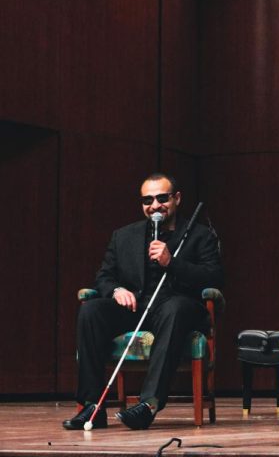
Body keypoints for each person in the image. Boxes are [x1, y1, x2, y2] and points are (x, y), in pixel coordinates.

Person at [63, 173, 224, 431]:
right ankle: (92, 406)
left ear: (177, 199)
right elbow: (104, 276)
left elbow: (214, 277)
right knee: (91, 311)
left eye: (162, 198)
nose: (155, 206)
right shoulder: (123, 236)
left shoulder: (200, 235)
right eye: (147, 200)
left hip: (175, 307)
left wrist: (172, 263)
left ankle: (148, 404)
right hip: (135, 306)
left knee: (175, 308)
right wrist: (116, 290)